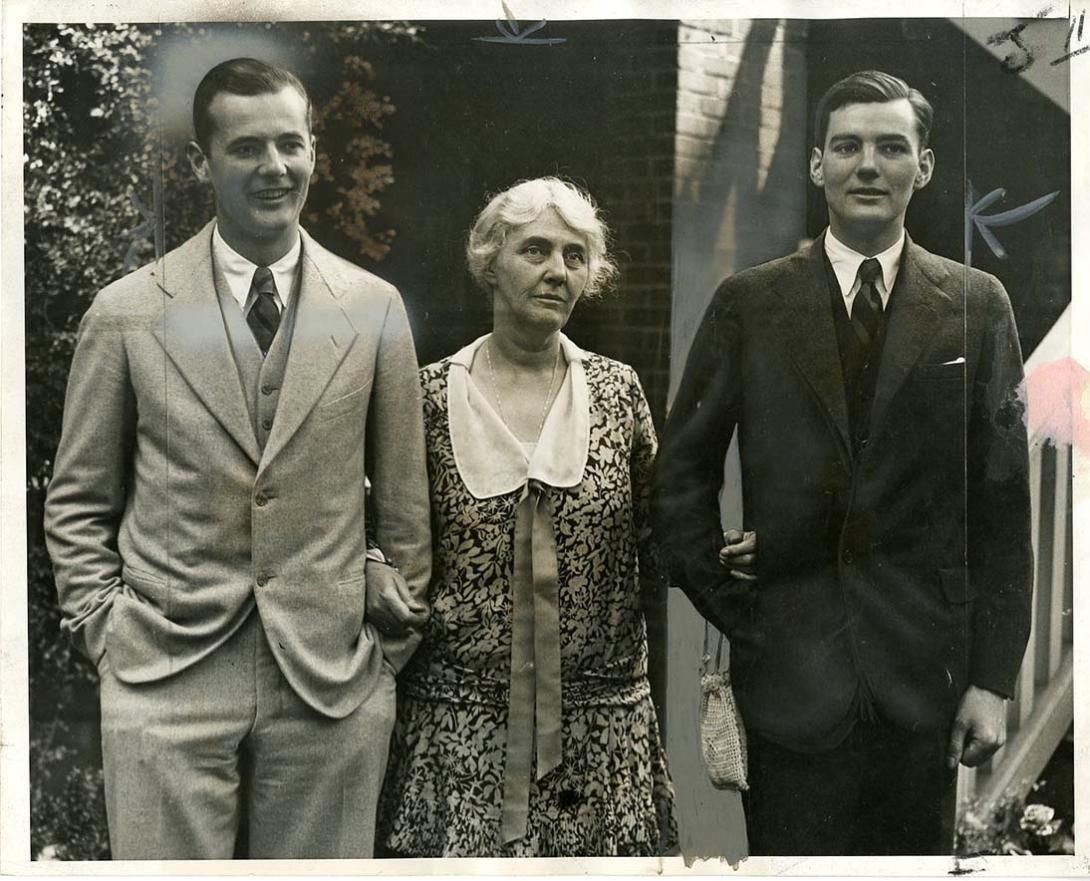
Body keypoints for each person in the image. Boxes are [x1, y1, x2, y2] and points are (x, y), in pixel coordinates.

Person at [43, 57, 431, 859]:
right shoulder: (126, 313)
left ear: (315, 153)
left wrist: (385, 657)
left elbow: (405, 503)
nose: (274, 168)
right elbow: (78, 499)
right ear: (202, 162)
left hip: (330, 683)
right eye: (247, 148)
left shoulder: (374, 307)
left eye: (290, 145)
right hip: (165, 677)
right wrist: (107, 634)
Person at [652, 70, 1032, 856]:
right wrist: (742, 612)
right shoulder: (750, 303)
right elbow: (679, 477)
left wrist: (992, 680)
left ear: (922, 167)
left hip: (922, 683)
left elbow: (1004, 508)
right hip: (789, 678)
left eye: (892, 147)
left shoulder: (977, 303)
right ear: (816, 165)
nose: (869, 164)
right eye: (848, 145)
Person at [376, 178, 677, 857]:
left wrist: (726, 550)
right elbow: (378, 531)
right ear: (489, 260)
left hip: (602, 741)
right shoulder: (424, 398)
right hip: (457, 738)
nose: (557, 271)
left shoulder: (618, 392)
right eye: (535, 249)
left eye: (575, 256)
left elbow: (663, 539)